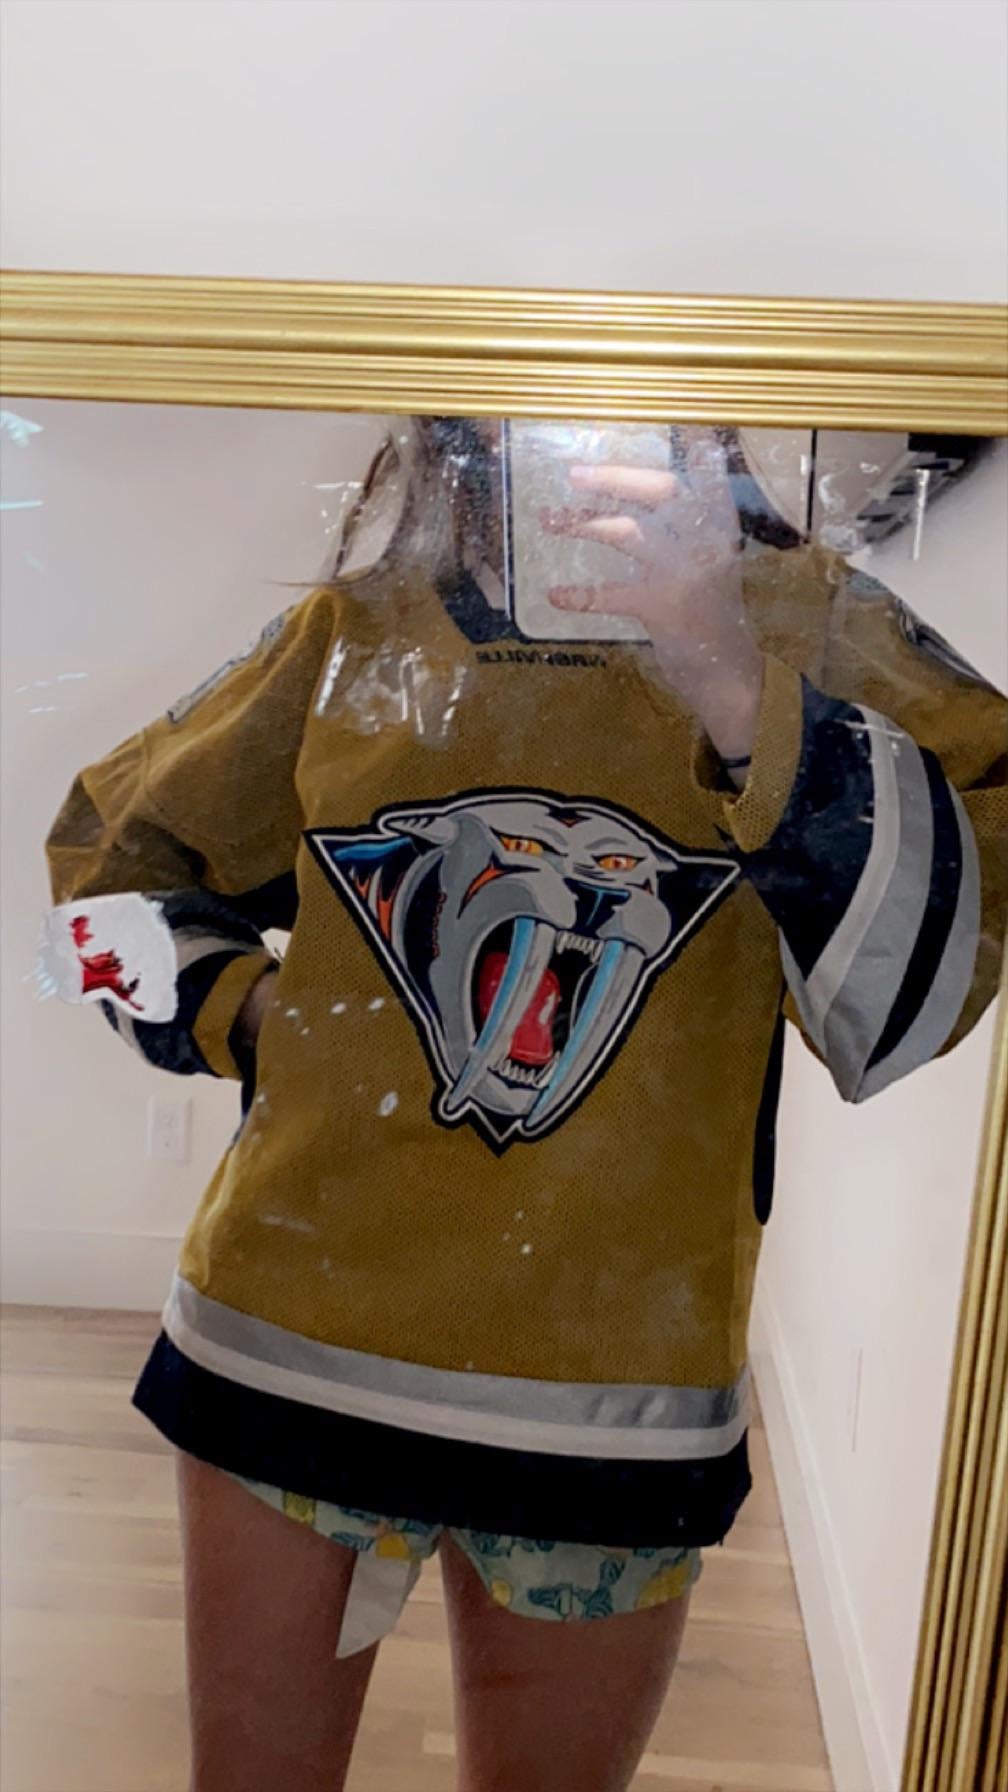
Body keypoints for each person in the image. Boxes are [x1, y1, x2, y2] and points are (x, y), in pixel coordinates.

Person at [46, 420, 1007, 1792]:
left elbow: (926, 994)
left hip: (613, 1405)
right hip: (287, 1350)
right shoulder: (355, 634)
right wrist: (249, 1014)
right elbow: (100, 866)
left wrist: (728, 672)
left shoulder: (818, 625)